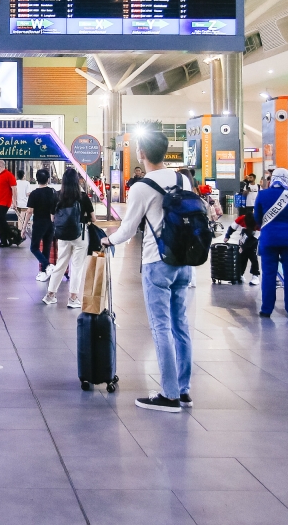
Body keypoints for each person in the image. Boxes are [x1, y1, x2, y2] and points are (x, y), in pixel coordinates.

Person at [101, 131, 193, 413]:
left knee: (161, 326)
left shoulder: (142, 187)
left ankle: (168, 395)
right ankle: (183, 389)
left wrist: (108, 239)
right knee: (181, 325)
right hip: (184, 261)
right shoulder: (183, 179)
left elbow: (128, 228)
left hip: (157, 262)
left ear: (142, 153)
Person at [254, 168, 288, 318]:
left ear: (272, 178)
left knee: (269, 274)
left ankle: (267, 309)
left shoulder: (262, 195)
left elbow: (257, 218)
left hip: (268, 239)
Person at [42, 168, 94, 309]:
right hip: (80, 234)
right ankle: (73, 298)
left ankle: (50, 295)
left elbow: (52, 218)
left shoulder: (57, 195)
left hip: (63, 235)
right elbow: (93, 218)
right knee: (77, 267)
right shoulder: (83, 197)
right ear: (77, 181)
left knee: (60, 264)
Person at [22, 168, 57, 281]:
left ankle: (47, 266)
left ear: (37, 179)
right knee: (46, 248)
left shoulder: (34, 194)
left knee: (34, 247)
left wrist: (23, 227)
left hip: (39, 223)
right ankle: (43, 273)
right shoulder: (52, 192)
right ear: (48, 179)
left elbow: (29, 211)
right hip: (50, 223)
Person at [224, 212, 260, 285]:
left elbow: (255, 238)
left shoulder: (258, 222)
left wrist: (243, 247)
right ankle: (240, 275)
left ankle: (255, 276)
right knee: (241, 257)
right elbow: (232, 227)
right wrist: (227, 236)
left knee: (253, 258)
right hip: (243, 237)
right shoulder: (241, 218)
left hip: (254, 240)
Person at [0, 160, 20, 247]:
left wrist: (14, 202)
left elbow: (14, 189)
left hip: (4, 202)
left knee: (1, 220)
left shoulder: (9, 175)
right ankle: (4, 240)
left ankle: (13, 235)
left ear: (0, 166)